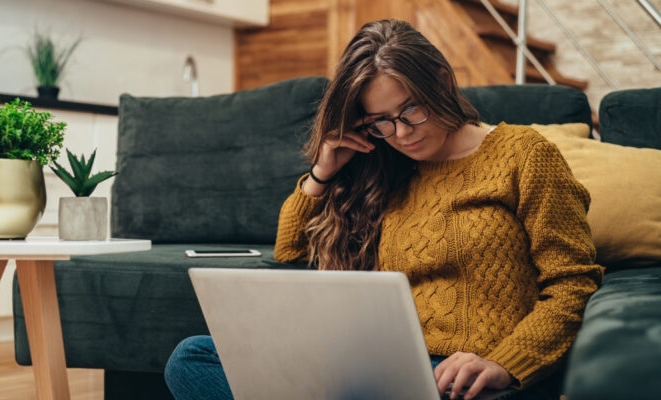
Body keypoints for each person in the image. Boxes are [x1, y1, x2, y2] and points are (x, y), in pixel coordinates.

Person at [164, 19, 603, 400]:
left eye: (410, 108)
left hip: (470, 380)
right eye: (381, 121)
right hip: (387, 369)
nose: (402, 132)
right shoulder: (386, 169)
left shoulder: (525, 154)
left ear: (442, 82)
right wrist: (323, 171)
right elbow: (290, 250)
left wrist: (505, 363)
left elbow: (573, 286)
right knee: (192, 357)